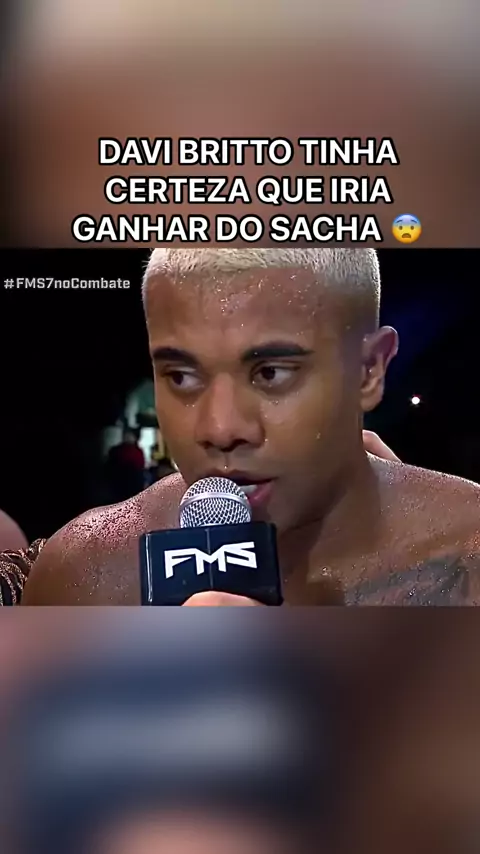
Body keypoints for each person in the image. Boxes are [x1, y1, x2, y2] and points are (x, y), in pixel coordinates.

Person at [22, 249, 480, 605]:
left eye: (271, 373)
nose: (220, 429)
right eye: (181, 377)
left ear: (368, 371)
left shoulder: (467, 551)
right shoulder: (86, 571)